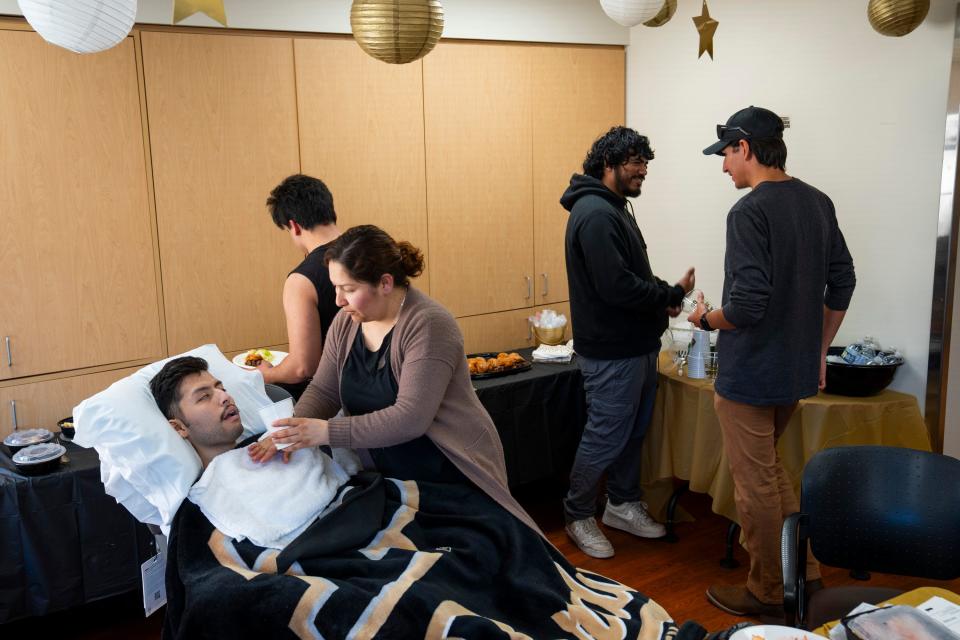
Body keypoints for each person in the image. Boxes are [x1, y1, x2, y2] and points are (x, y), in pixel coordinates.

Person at [249, 224, 541, 534]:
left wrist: (323, 432)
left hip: (448, 471)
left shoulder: (428, 325)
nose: (338, 300)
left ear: (385, 283)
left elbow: (410, 419)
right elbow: (325, 389)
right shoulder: (345, 324)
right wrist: (289, 431)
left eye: (348, 289)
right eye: (335, 288)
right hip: (392, 474)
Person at [689, 106, 856, 617]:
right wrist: (819, 349)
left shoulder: (749, 212)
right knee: (775, 476)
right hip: (793, 373)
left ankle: (765, 590)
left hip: (751, 376)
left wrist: (704, 319)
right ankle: (802, 575)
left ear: (745, 147)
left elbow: (746, 307)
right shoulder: (817, 201)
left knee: (755, 485)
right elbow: (843, 280)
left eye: (725, 156)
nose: (723, 168)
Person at [561, 126, 696, 558]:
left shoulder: (615, 209)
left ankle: (620, 504)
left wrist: (663, 300)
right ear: (609, 165)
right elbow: (616, 288)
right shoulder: (596, 214)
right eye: (636, 162)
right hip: (612, 354)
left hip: (636, 347)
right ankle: (578, 513)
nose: (643, 171)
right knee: (604, 437)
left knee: (631, 435)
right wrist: (670, 295)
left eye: (645, 163)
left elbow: (633, 276)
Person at [259, 174, 342, 400]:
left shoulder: (302, 280)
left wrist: (266, 374)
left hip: (338, 391)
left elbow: (303, 367)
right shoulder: (373, 249)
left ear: (294, 226)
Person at [149, 355, 280, 467]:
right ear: (179, 427)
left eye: (222, 389)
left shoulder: (277, 439)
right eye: (204, 397)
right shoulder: (203, 494)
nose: (225, 397)